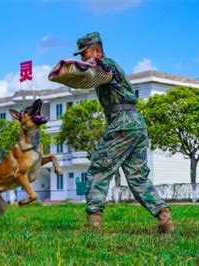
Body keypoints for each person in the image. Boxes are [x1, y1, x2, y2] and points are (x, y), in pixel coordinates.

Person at [73, 32, 175, 233]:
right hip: (136, 123)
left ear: (97, 51)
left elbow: (105, 68)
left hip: (122, 124)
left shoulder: (105, 64)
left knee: (99, 169)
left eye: (84, 54)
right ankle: (165, 219)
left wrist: (95, 64)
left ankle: (93, 222)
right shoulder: (103, 68)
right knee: (138, 177)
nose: (83, 58)